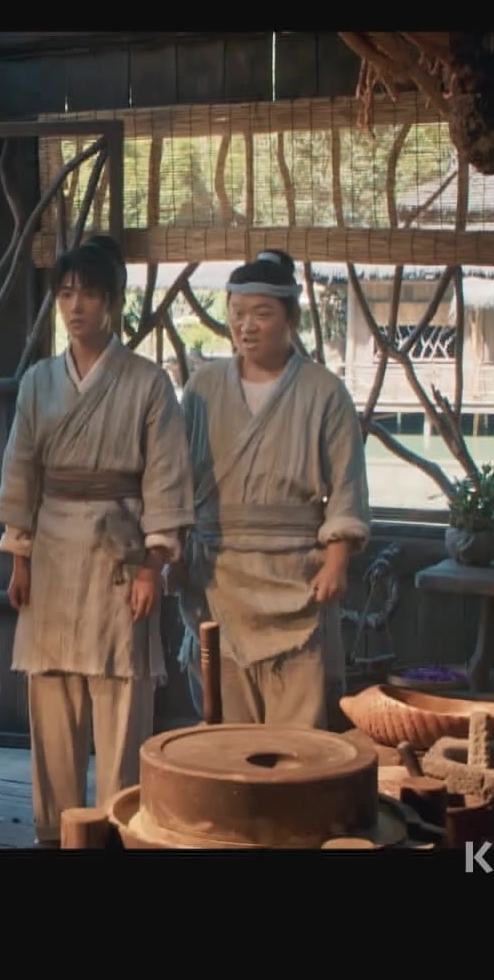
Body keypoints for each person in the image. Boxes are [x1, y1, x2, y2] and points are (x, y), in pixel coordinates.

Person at [0, 234, 195, 845]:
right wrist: (19, 557)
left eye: (87, 294)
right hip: (53, 548)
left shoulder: (148, 384)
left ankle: (116, 827)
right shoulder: (37, 382)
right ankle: (54, 829)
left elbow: (165, 477)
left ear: (112, 302)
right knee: (51, 692)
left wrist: (152, 565)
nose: (74, 306)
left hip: (119, 551)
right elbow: (21, 470)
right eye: (65, 294)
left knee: (121, 694)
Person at [179, 249, 372, 729]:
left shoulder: (325, 392)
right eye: (237, 313)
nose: (246, 326)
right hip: (218, 572)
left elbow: (347, 484)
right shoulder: (202, 388)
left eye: (262, 314)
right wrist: (171, 553)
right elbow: (174, 478)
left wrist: (336, 561)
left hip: (296, 574)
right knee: (226, 733)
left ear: (291, 318)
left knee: (299, 736)